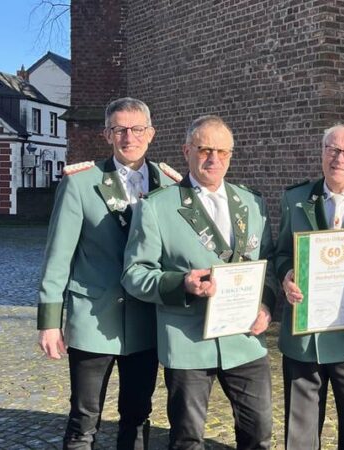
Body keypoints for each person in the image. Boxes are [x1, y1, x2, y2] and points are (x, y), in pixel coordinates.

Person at [121, 115, 278, 449]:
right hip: (187, 341)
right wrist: (182, 284)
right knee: (188, 439)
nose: (213, 159)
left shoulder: (252, 203)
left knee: (259, 434)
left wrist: (266, 304)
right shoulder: (157, 207)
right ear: (187, 151)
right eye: (205, 150)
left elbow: (268, 264)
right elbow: (134, 274)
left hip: (245, 338)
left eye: (222, 152)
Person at [36, 97, 181, 449]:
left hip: (146, 320)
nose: (129, 137)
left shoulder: (170, 184)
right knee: (83, 419)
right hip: (92, 318)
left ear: (151, 133)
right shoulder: (81, 183)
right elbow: (58, 256)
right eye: (120, 130)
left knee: (138, 415)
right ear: (106, 135)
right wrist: (50, 322)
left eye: (137, 129)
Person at [276, 124, 344, 449]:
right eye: (333, 149)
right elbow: (281, 253)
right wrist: (286, 275)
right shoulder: (295, 198)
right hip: (304, 339)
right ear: (322, 152)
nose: (339, 159)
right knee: (300, 437)